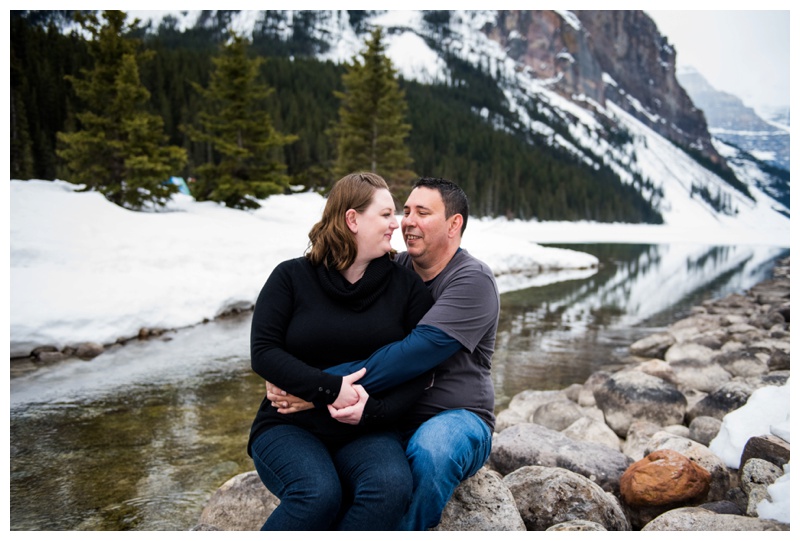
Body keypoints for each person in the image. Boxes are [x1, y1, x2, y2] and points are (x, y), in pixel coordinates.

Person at [268, 177, 500, 530]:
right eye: (405, 211)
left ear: (455, 224)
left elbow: (413, 354)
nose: (407, 221)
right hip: (386, 415)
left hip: (455, 417)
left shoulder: (472, 280)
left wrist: (318, 387)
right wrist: (293, 374)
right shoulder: (393, 270)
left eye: (422, 212)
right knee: (337, 482)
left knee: (431, 451)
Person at [247, 172, 436, 530]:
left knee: (390, 488)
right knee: (318, 493)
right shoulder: (291, 277)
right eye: (384, 215)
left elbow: (419, 369)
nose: (395, 224)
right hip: (289, 424)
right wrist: (330, 389)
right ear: (352, 219)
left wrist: (374, 411)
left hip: (368, 428)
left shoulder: (405, 286)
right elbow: (264, 352)